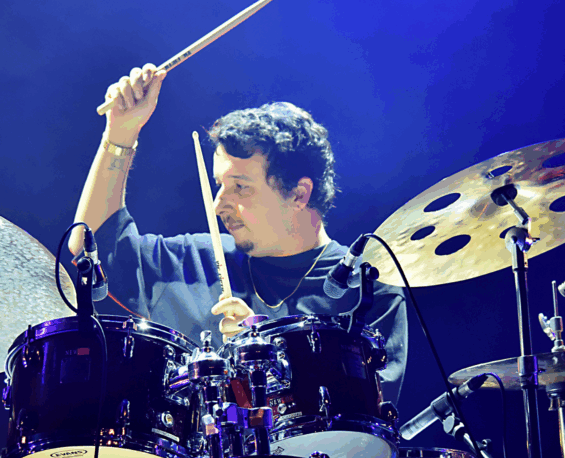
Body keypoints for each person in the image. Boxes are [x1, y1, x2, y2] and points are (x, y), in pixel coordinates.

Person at [69, 64, 409, 405]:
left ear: (299, 194)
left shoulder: (367, 285)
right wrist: (120, 134)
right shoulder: (195, 262)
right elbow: (91, 246)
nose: (219, 205)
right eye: (219, 185)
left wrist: (267, 357)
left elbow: (371, 414)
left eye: (240, 187)